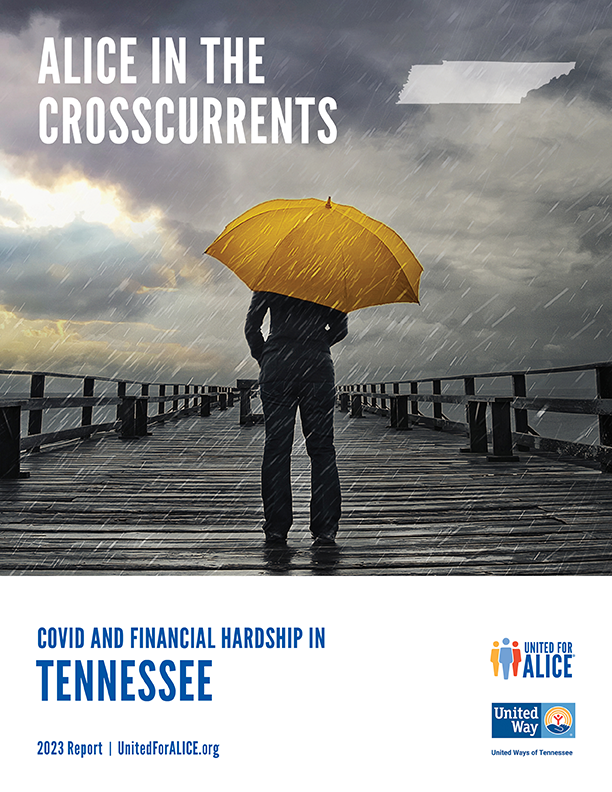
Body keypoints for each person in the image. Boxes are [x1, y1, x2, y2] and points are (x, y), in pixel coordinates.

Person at [244, 290, 348, 545]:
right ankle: (325, 528)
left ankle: (277, 527)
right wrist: (316, 342)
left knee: (277, 448)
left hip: (278, 366)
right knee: (322, 449)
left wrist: (267, 354)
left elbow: (251, 328)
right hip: (318, 368)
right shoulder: (329, 281)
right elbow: (341, 328)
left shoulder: (270, 277)